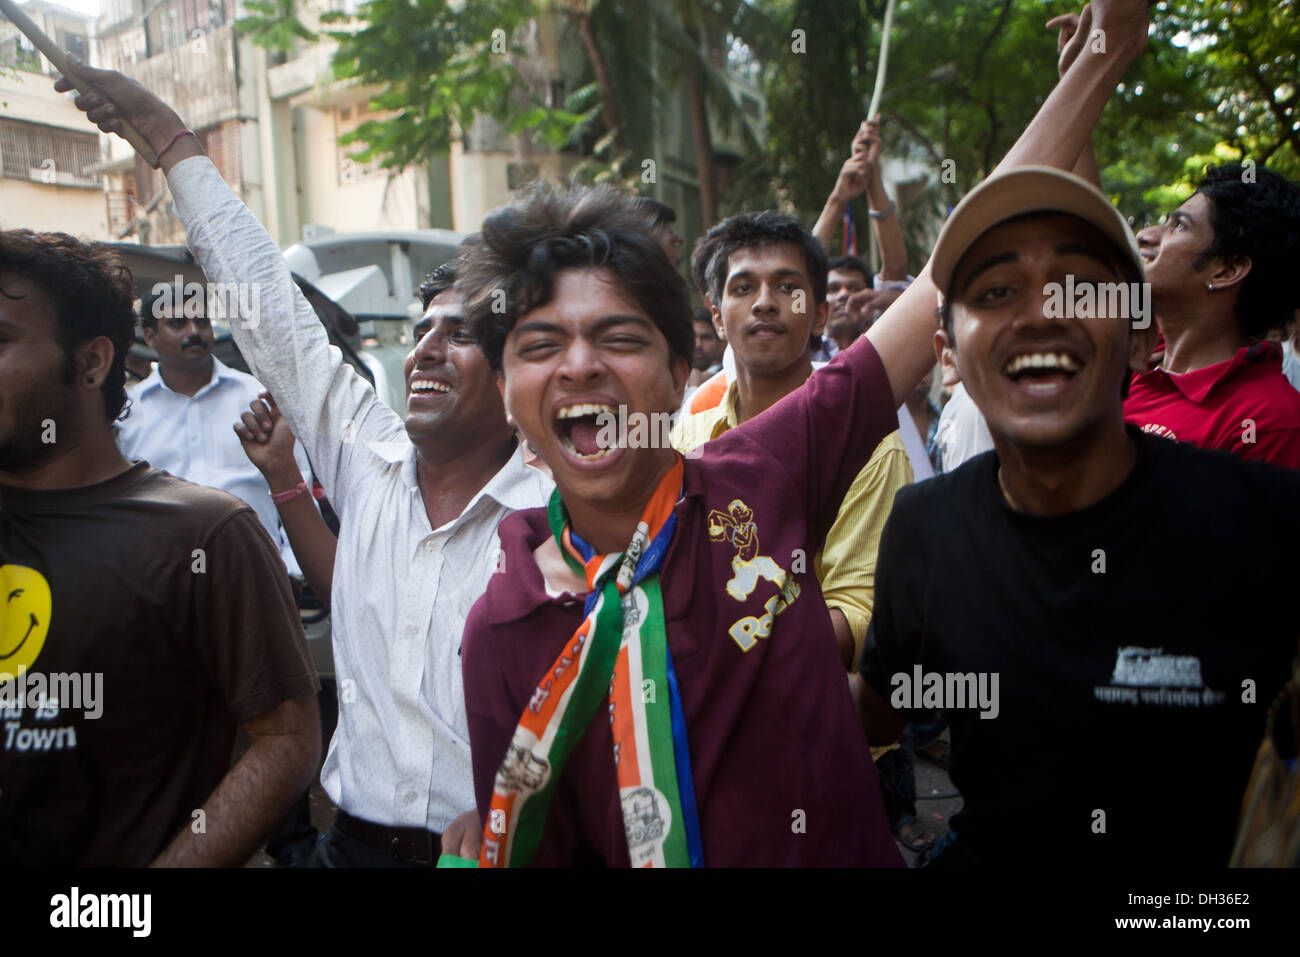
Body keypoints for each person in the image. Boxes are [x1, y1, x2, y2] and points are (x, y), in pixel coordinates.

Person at [56, 58, 554, 867]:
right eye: (422, 330)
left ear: (513, 373)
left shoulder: (556, 510)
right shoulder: (366, 455)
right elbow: (271, 309)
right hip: (346, 849)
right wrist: (168, 139)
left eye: (459, 333)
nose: (426, 347)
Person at [0, 228, 320, 866]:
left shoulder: (208, 535)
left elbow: (285, 739)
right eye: (175, 320)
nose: (191, 330)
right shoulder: (144, 412)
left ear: (92, 362)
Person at [672, 211, 913, 670]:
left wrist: (730, 649)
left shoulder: (869, 447)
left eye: (788, 287)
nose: (765, 302)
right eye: (744, 288)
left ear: (820, 314)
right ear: (718, 317)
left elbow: (860, 615)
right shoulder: (691, 434)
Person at [117, 290, 313, 574]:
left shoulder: (258, 398)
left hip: (255, 573)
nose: (194, 331)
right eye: (178, 323)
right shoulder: (128, 413)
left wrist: (291, 571)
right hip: (160, 583)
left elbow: (298, 481)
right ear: (150, 337)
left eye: (201, 321)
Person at [1124, 163, 1300, 466]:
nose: (1145, 235)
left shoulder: (1269, 423)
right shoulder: (1141, 359)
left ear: (1227, 270)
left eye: (1179, 226)